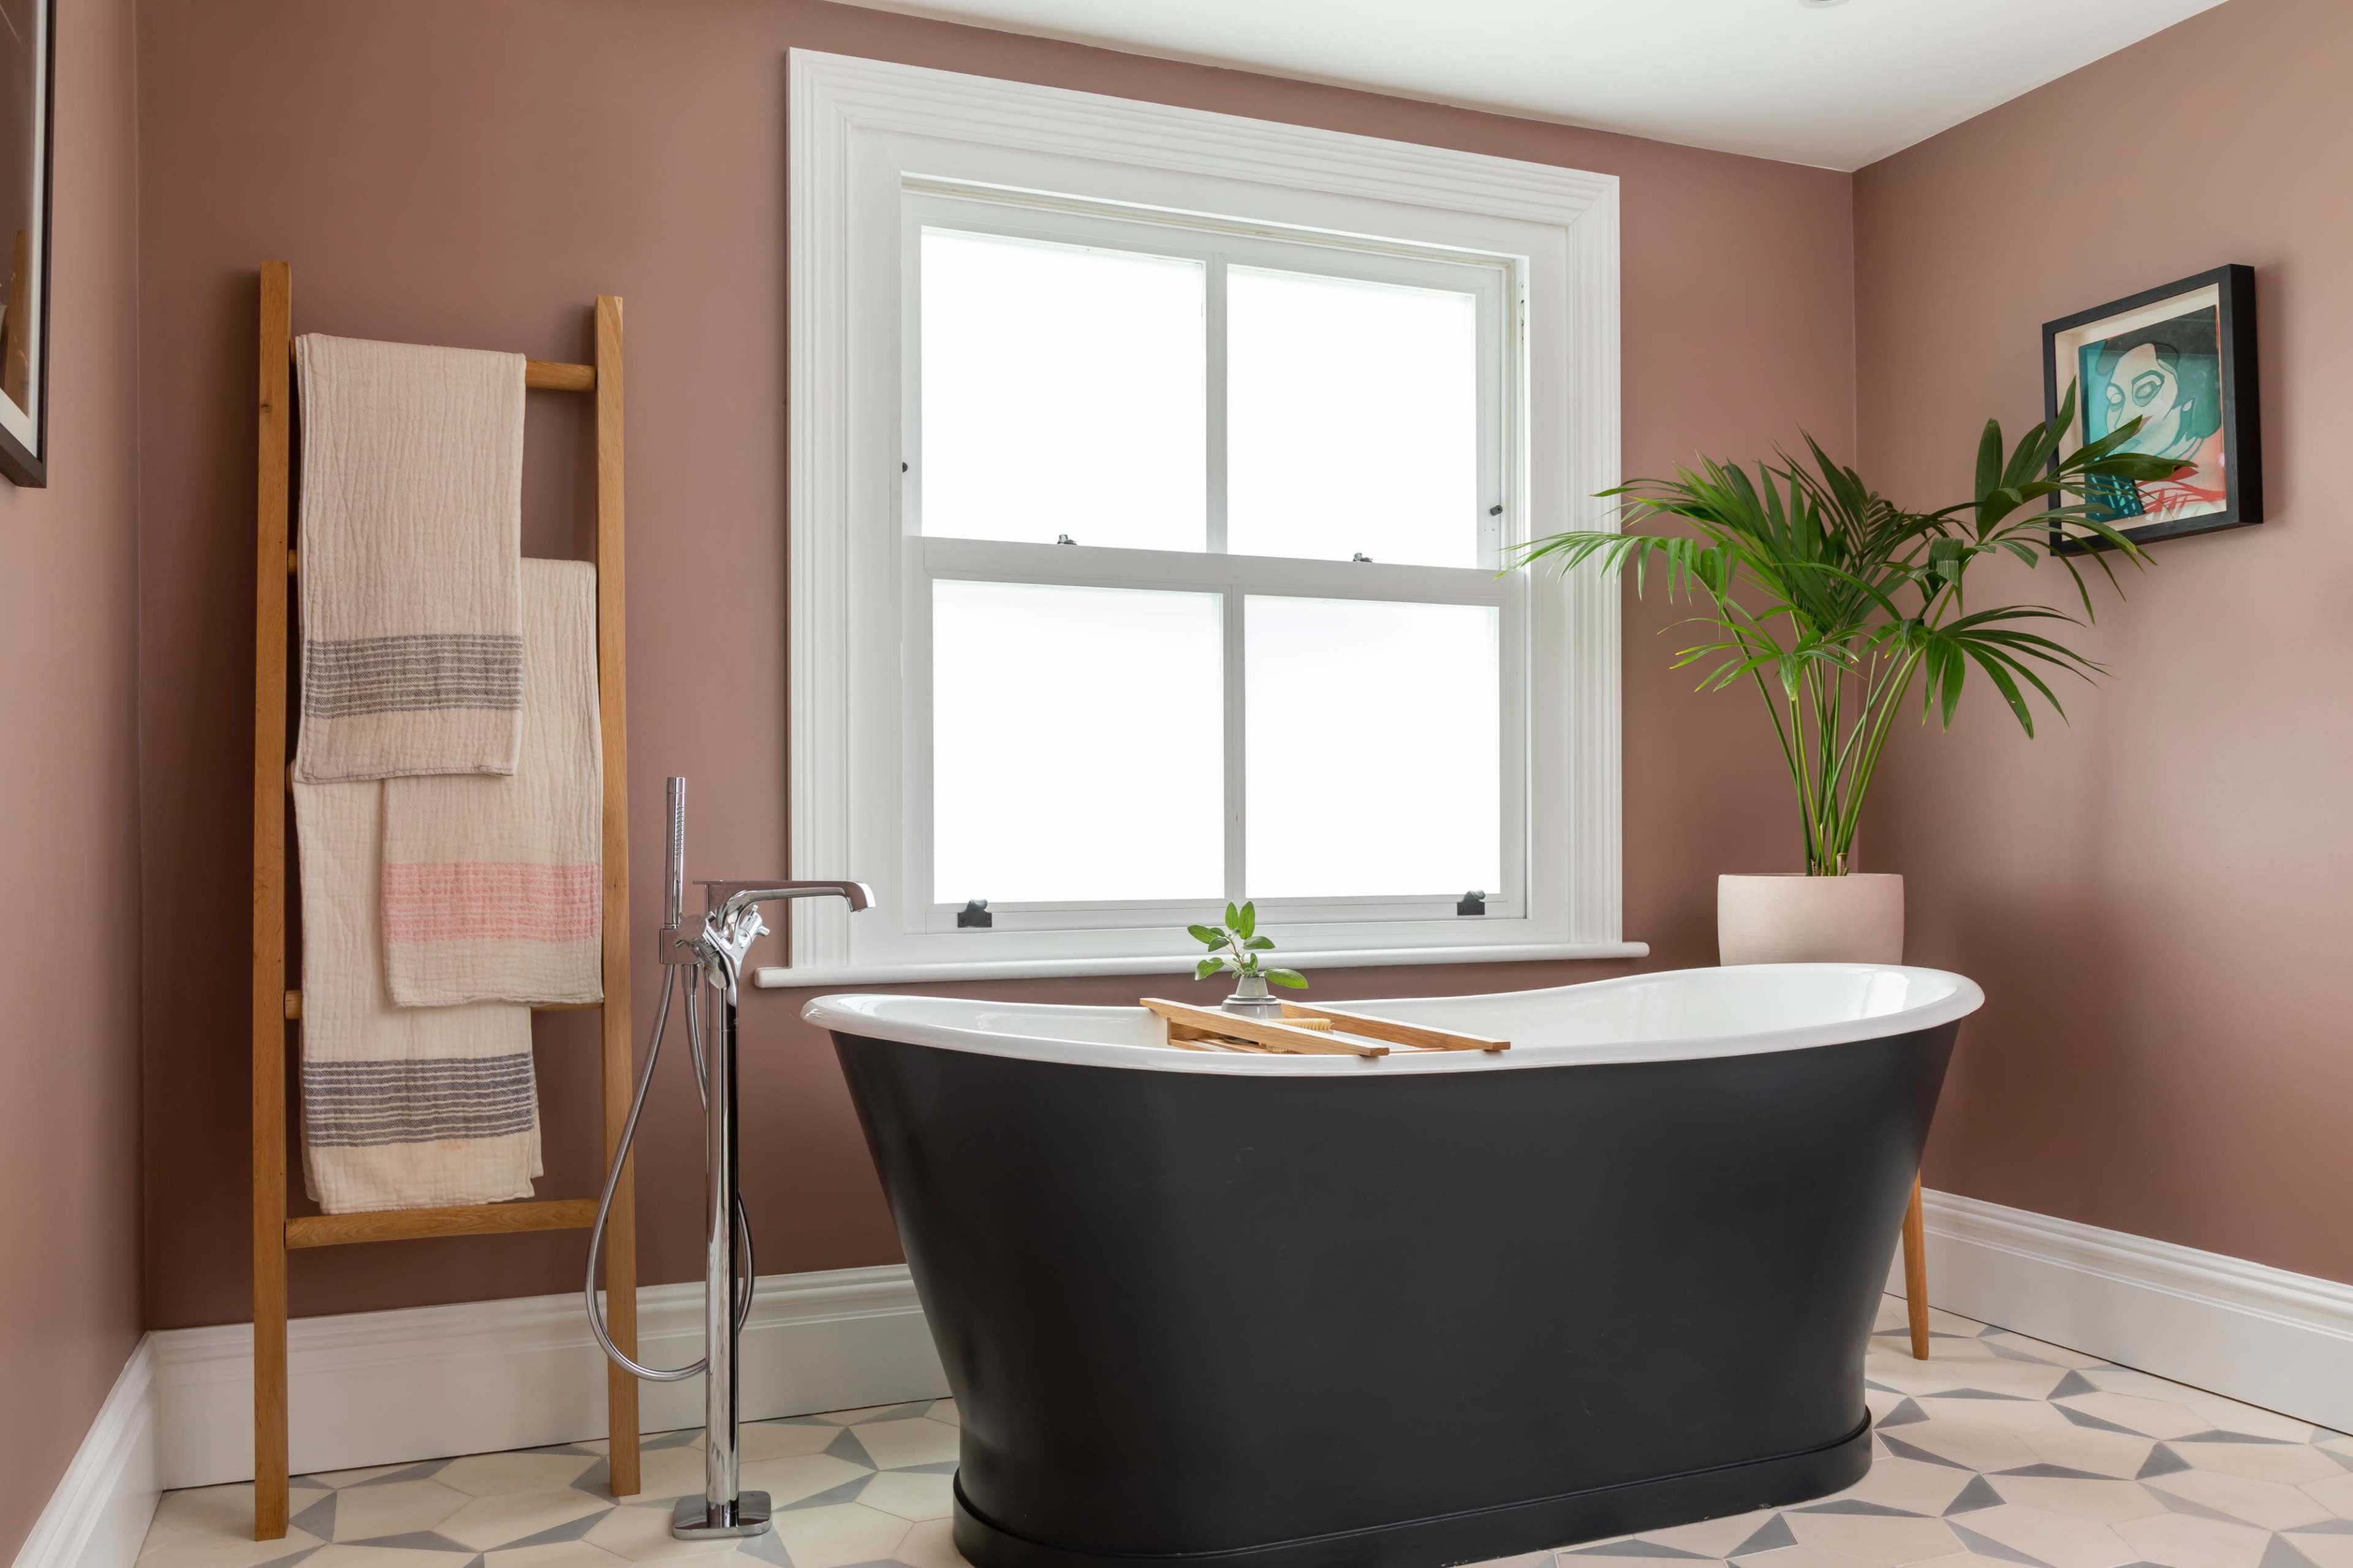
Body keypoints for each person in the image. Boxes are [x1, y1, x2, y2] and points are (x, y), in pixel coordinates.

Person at [2084, 308, 2227, 525]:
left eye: (2145, 391)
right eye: (2115, 400)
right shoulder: (2108, 491)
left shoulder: (2207, 495)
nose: (2123, 422)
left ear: (2192, 393)